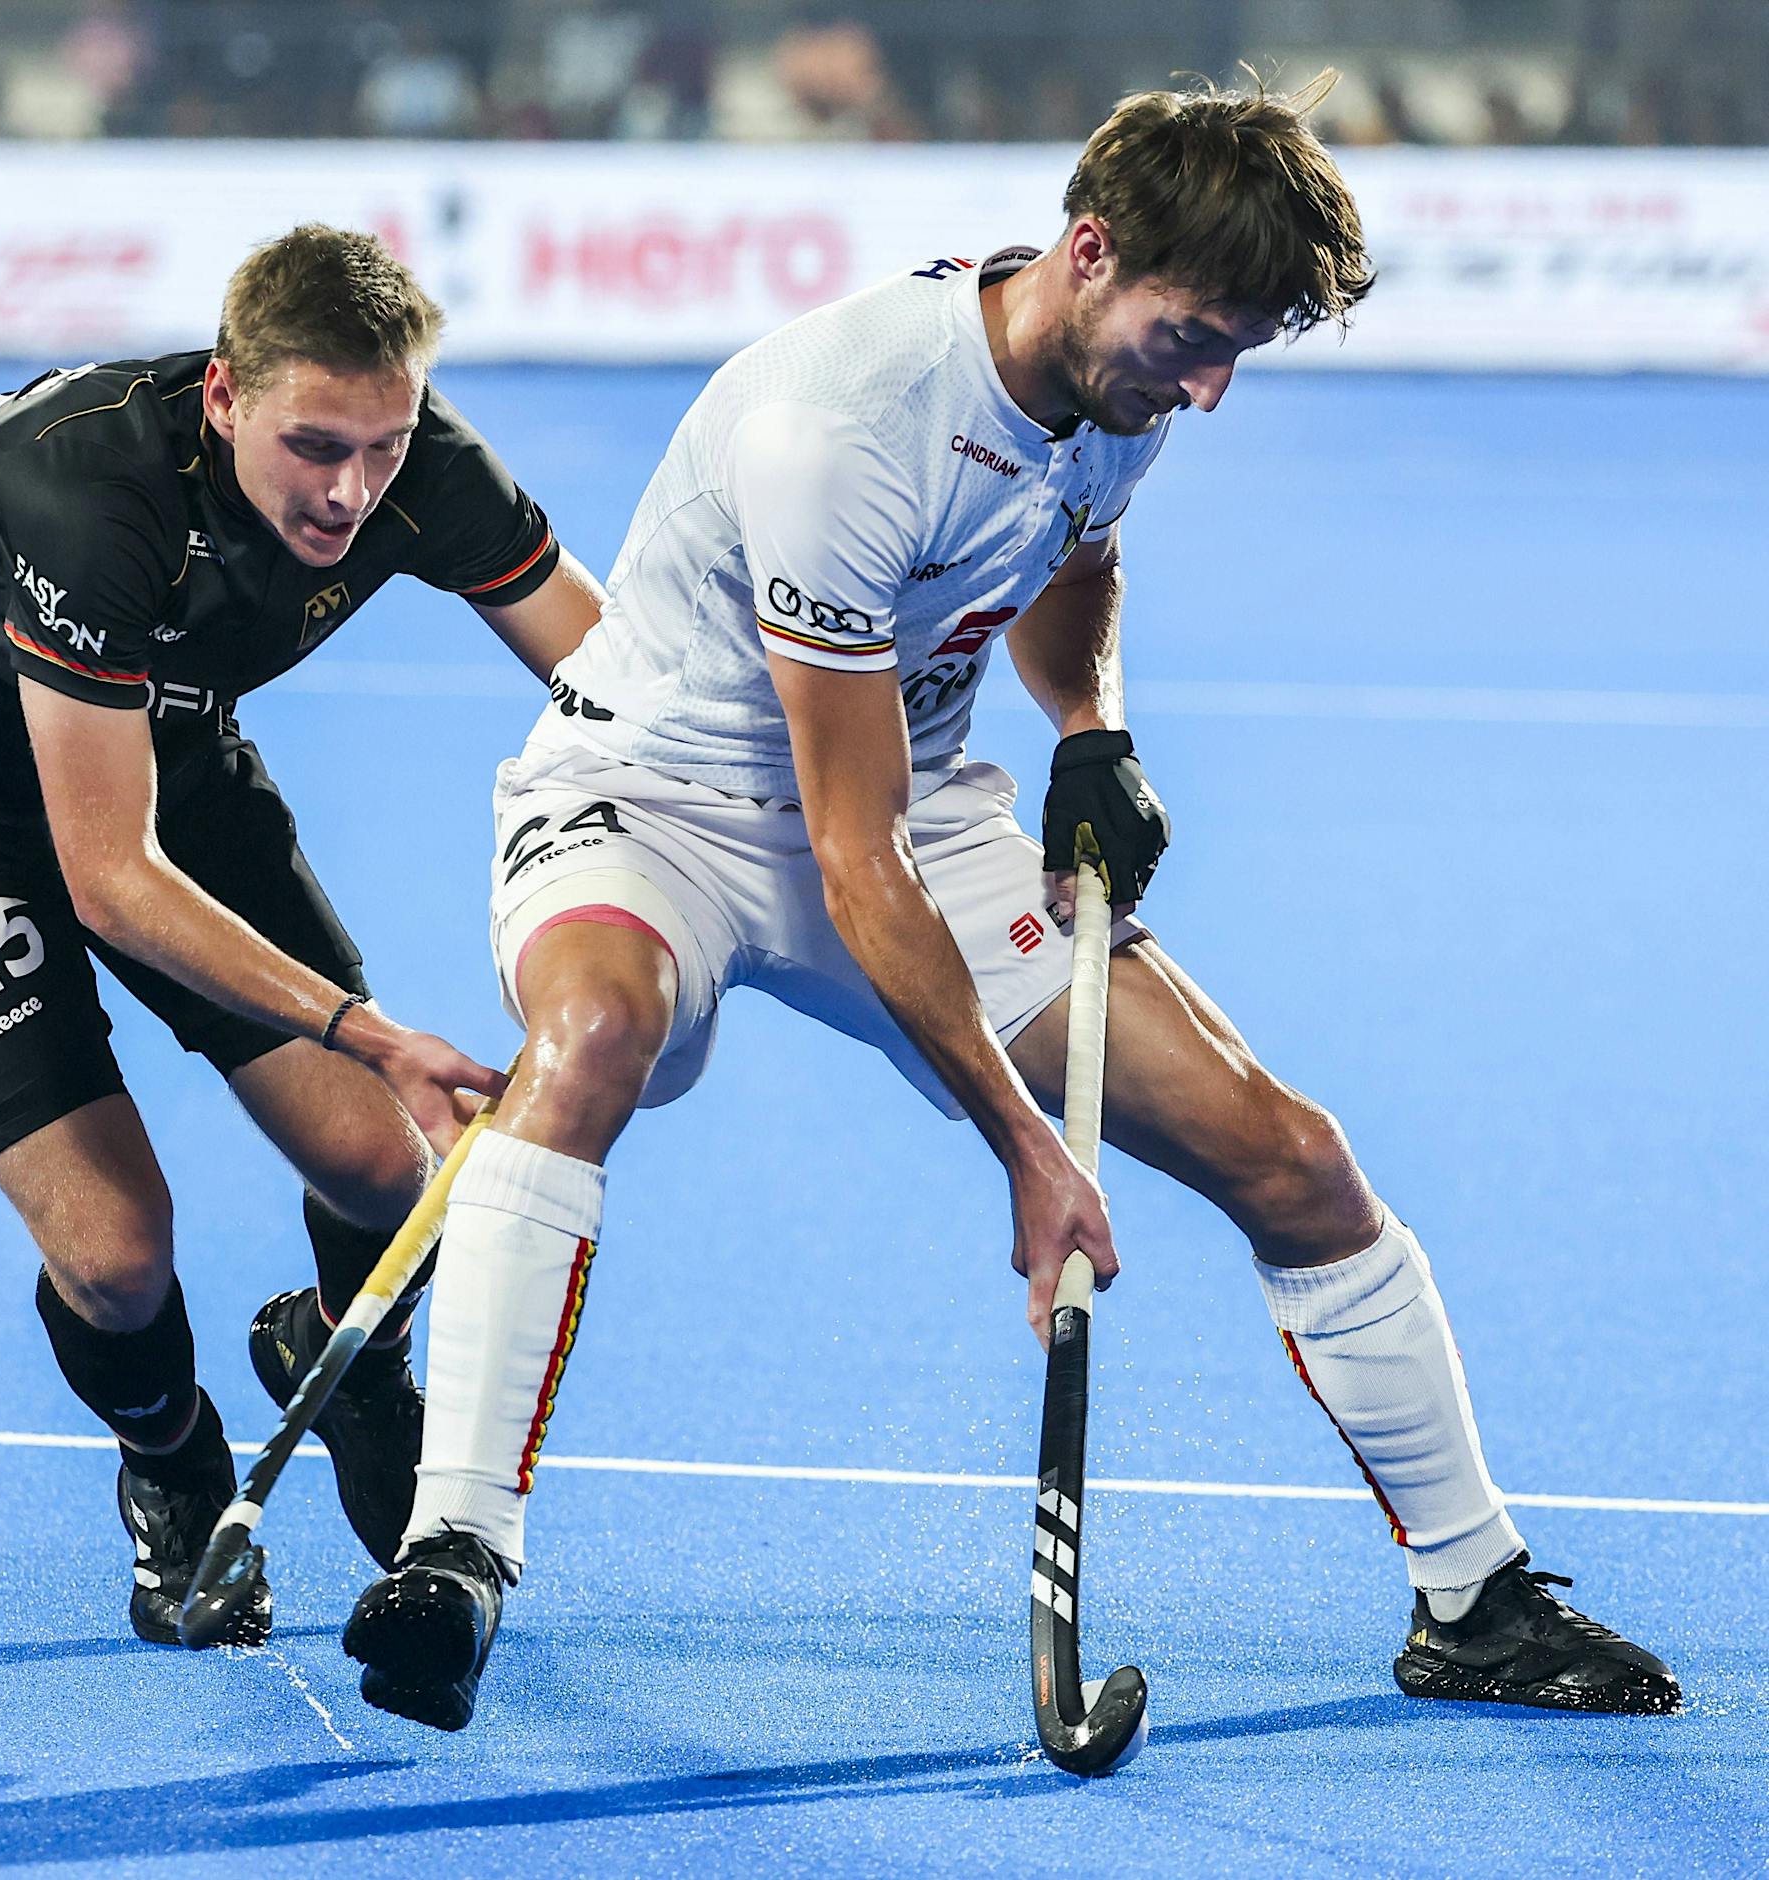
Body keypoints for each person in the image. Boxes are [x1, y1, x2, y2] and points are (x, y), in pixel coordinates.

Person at [341, 78, 1680, 1729]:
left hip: (914, 801)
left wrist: (1091, 726)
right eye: (1199, 337)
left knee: (1296, 1158)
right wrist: (1029, 1149)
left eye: (1242, 349)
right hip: (661, 801)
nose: (1213, 386)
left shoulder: (1120, 389)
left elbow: (1068, 559)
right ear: (1091, 251)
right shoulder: (847, 425)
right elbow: (849, 860)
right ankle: (454, 1551)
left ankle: (1474, 1602)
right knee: (599, 1036)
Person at [0, 224, 604, 1646]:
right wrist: (371, 1027)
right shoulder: (90, 493)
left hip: (160, 754)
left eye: (384, 448)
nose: (350, 492)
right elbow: (107, 881)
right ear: (225, 398)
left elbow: (619, 681)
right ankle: (170, 1462)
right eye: (314, 447)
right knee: (113, 1254)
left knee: (385, 1171)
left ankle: (341, 1366)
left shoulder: (422, 469)